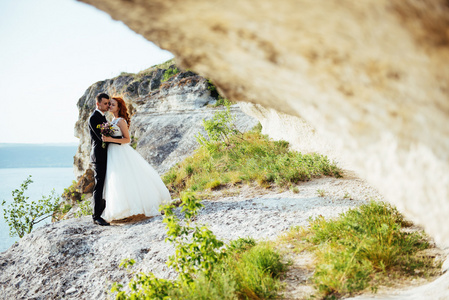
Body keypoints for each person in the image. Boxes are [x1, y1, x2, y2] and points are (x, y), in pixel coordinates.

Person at [100, 96, 171, 222]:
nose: (109, 106)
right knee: (117, 180)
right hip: (112, 153)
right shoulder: (113, 120)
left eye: (112, 104)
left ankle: (136, 207)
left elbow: (127, 140)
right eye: (109, 104)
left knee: (127, 178)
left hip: (121, 152)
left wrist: (109, 139)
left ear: (118, 107)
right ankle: (122, 208)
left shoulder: (121, 121)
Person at [88, 93, 111, 226]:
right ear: (98, 104)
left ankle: (103, 211)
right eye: (106, 103)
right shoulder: (93, 118)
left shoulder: (102, 117)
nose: (108, 105)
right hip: (99, 156)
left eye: (109, 103)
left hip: (106, 155)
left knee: (105, 183)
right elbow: (101, 136)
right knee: (99, 185)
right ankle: (96, 216)